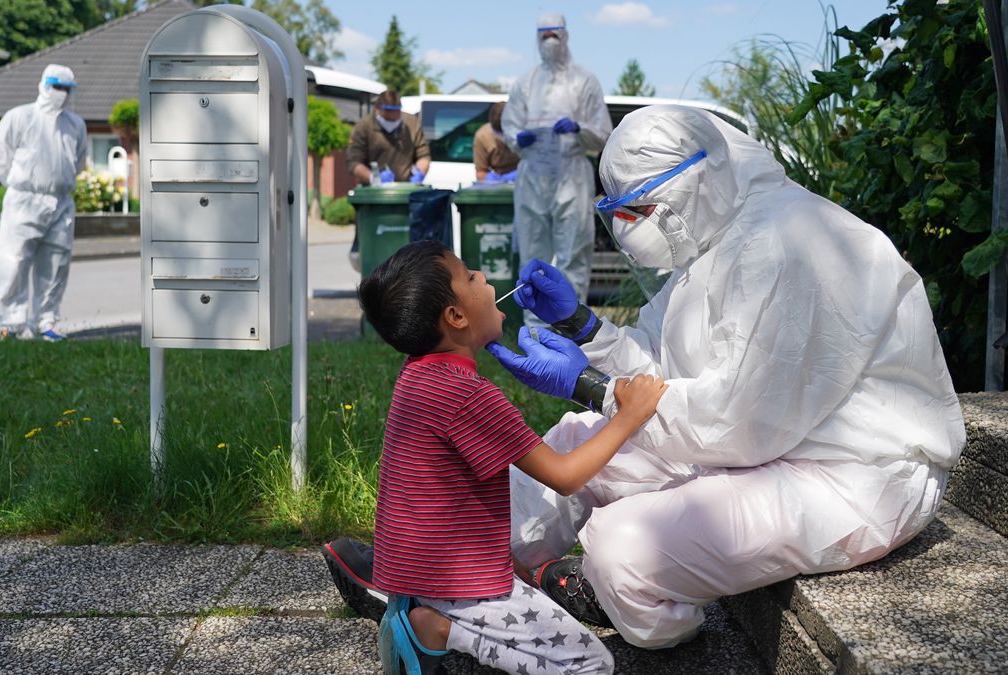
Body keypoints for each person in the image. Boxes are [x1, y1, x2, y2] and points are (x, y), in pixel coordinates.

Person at [325, 105, 966, 650]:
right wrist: (585, 329)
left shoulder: (787, 248)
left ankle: (665, 631)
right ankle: (448, 579)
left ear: (694, 185)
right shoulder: (715, 238)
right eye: (618, 210)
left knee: (624, 548)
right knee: (575, 440)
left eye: (637, 210)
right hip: (763, 445)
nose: (627, 227)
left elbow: (736, 423)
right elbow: (662, 364)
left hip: (853, 475)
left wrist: (593, 388)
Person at [355, 239, 666, 674]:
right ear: (456, 317)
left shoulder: (417, 376)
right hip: (460, 586)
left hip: (419, 571)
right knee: (592, 665)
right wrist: (628, 415)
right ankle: (440, 630)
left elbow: (448, 497)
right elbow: (564, 476)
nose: (484, 277)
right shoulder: (469, 395)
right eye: (470, 277)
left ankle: (426, 615)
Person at [502, 12, 611, 319]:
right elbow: (510, 125)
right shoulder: (525, 83)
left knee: (573, 251)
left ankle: (572, 327)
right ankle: (535, 329)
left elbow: (603, 133)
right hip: (533, 175)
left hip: (571, 174)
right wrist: (516, 138)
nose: (550, 41)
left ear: (565, 36)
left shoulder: (584, 80)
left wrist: (579, 128)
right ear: (537, 39)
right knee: (532, 253)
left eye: (555, 35)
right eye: (544, 35)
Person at [0, 64, 87, 341]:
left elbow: (77, 161)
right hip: (24, 200)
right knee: (14, 261)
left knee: (56, 263)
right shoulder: (20, 117)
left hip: (60, 201)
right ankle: (9, 324)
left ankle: (46, 321)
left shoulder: (75, 125)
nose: (61, 94)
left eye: (66, 89)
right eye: (57, 87)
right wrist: (17, 183)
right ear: (44, 85)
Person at [345, 90, 431, 271]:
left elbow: (423, 155)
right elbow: (353, 162)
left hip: (406, 194)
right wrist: (372, 177)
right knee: (366, 250)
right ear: (378, 109)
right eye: (389, 114)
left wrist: (420, 173)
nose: (393, 118)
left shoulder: (411, 124)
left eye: (396, 112)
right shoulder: (364, 127)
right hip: (374, 198)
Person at [473, 101, 519, 183]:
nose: (503, 137)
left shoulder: (527, 131)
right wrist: (492, 180)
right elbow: (480, 172)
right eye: (499, 134)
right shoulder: (483, 136)